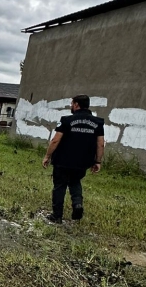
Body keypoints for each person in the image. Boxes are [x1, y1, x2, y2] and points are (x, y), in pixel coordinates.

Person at [42, 94, 104, 224]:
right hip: (83, 162)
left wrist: (47, 156)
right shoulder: (98, 122)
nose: (71, 106)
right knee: (75, 182)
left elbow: (55, 140)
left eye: (72, 104)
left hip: (63, 160)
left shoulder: (66, 120)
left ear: (76, 104)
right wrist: (98, 161)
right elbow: (100, 144)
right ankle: (77, 204)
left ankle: (57, 216)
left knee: (59, 186)